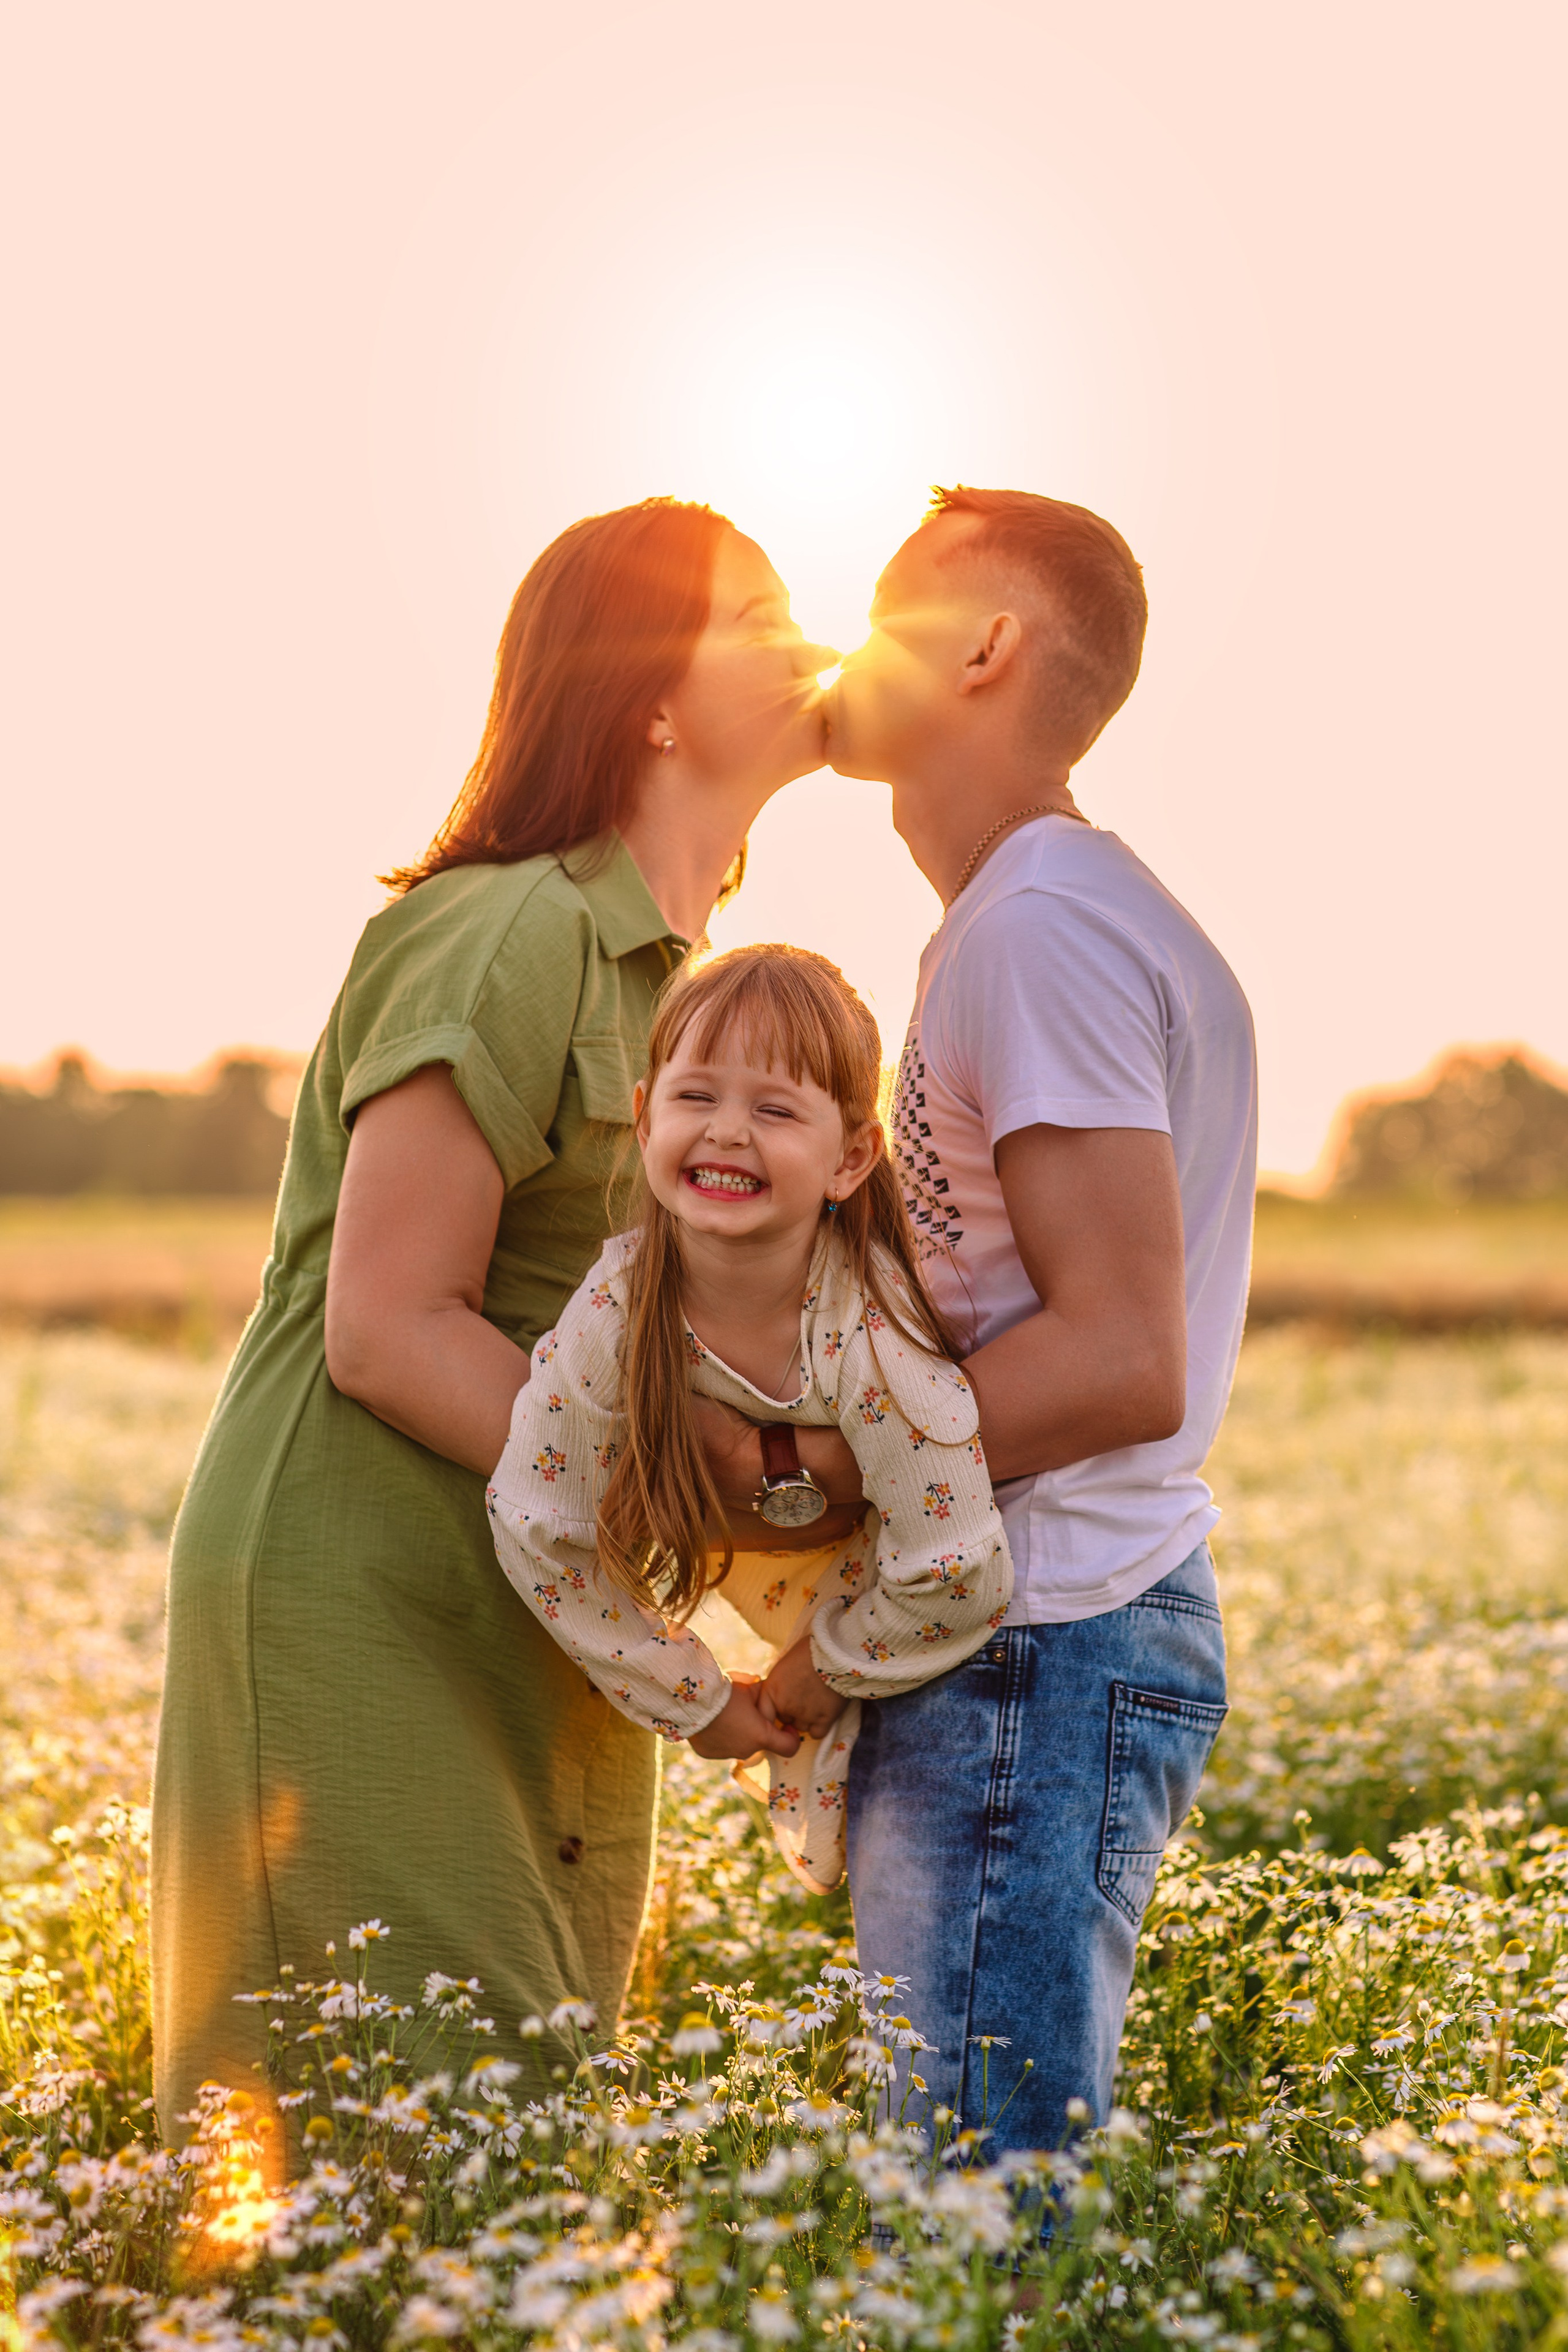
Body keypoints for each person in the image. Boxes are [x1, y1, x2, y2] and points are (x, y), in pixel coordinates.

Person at [151, 497, 835, 2151]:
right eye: (755, 616)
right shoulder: (508, 926)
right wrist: (696, 1493)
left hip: (543, 1615)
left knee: (522, 2159)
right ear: (649, 696)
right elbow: (389, 1328)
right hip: (367, 1595)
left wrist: (731, 1618)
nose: (805, 645)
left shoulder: (688, 989)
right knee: (416, 2161)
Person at [724, 486, 1256, 2149]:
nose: (832, 647)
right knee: (958, 2198)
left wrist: (813, 1463)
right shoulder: (1028, 920)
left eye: (879, 608)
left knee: (972, 2226)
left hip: (1041, 1649)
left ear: (986, 647)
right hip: (1027, 1635)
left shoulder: (1040, 928)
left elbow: (1115, 1359)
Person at [486, 944, 1012, 1896]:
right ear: (643, 1119)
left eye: (774, 1110)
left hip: (897, 1619)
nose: (728, 1133)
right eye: (696, 1098)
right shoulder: (615, 1312)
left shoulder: (874, 1334)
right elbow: (537, 1522)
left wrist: (827, 1664)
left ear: (851, 1157)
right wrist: (691, 1697)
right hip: (744, 1592)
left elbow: (957, 1566)